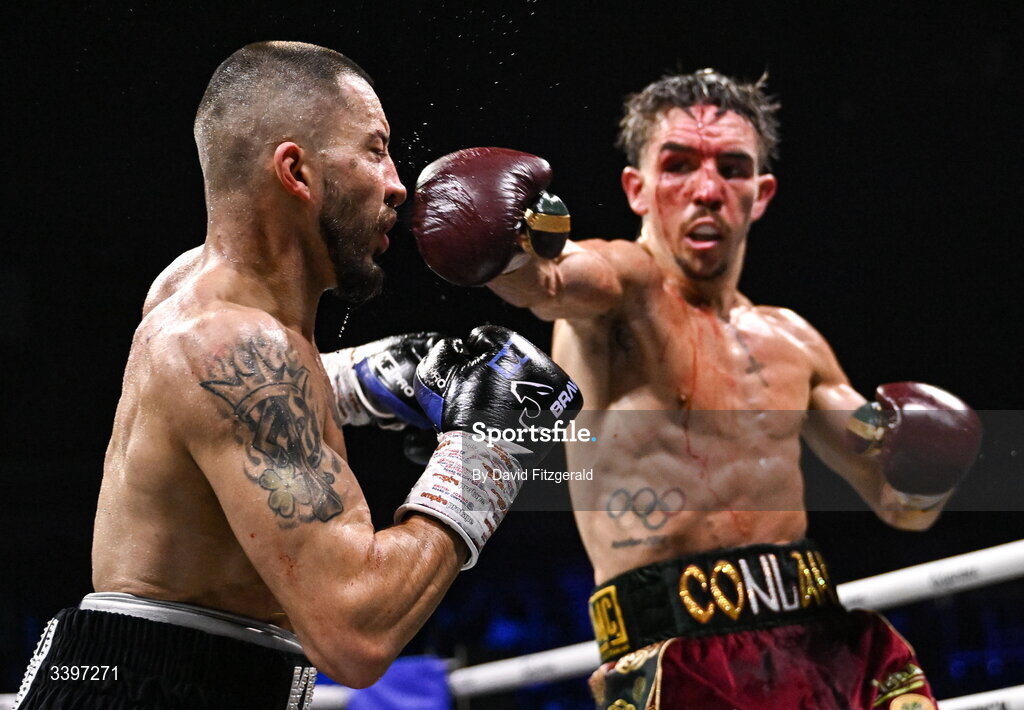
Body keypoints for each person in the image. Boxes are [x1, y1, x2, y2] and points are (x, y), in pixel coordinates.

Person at [13, 41, 582, 710]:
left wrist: (373, 375)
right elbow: (356, 634)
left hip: (159, 676)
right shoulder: (234, 339)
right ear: (296, 171)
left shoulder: (194, 294)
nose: (399, 182)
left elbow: (234, 398)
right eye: (375, 150)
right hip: (165, 686)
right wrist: (485, 450)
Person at [411, 69, 982, 709]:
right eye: (679, 164)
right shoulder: (624, 291)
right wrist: (499, 239)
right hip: (677, 661)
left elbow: (903, 507)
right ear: (638, 187)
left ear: (761, 194)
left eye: (732, 169)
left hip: (829, 647)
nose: (707, 190)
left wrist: (931, 463)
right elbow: (548, 283)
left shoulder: (795, 341)